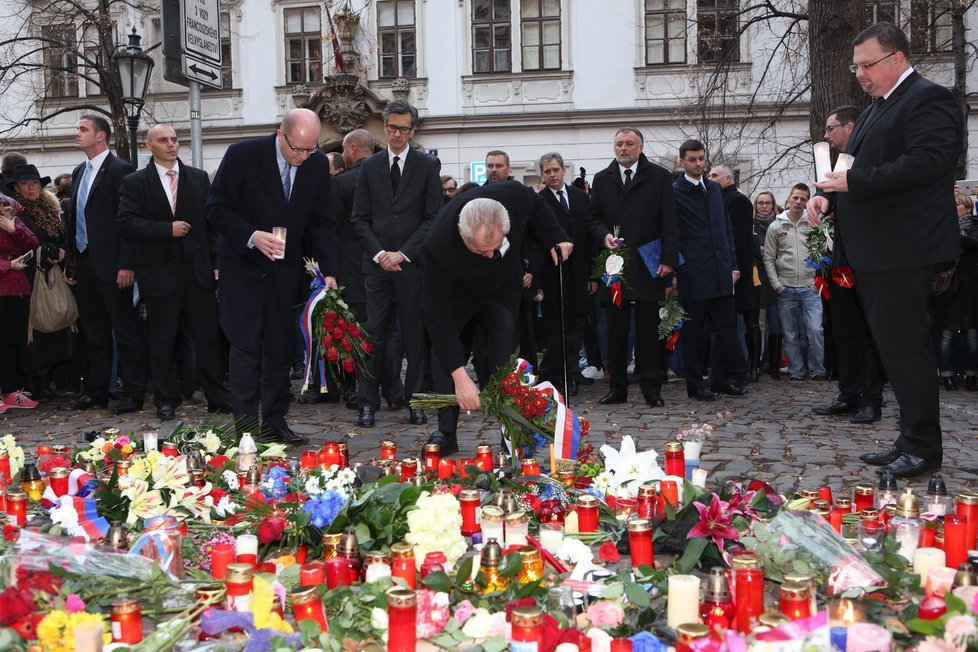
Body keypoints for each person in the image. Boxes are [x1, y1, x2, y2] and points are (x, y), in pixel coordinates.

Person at [807, 22, 964, 478]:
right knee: (894, 350)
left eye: (866, 64)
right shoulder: (878, 108)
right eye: (856, 65)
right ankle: (909, 438)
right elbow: (850, 167)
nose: (859, 73)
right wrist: (829, 197)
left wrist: (852, 182)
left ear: (896, 58)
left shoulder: (927, 99)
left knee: (908, 350)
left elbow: (930, 162)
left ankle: (923, 448)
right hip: (875, 251)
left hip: (905, 248)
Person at [207, 108, 338, 445]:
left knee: (280, 351)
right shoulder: (242, 155)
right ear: (281, 135)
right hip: (243, 268)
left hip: (285, 271)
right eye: (298, 149)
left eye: (311, 149)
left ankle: (275, 422)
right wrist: (251, 235)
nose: (304, 156)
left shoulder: (317, 165)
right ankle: (246, 428)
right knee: (246, 348)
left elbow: (323, 221)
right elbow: (216, 208)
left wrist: (329, 271)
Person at [421, 182, 572, 456]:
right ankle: (446, 431)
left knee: (504, 351)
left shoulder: (512, 196)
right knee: (444, 355)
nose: (490, 255)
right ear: (461, 233)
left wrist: (557, 236)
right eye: (482, 250)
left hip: (502, 287)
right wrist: (460, 376)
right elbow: (437, 320)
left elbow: (537, 205)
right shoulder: (436, 247)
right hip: (457, 296)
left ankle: (511, 430)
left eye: (496, 247)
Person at [118, 125, 230, 421]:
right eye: (163, 140)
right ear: (149, 145)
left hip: (198, 272)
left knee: (207, 337)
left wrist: (216, 264)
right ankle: (166, 399)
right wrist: (166, 230)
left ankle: (216, 395)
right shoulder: (135, 182)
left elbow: (211, 226)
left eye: (174, 139)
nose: (171, 144)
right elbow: (127, 223)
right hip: (158, 274)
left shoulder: (197, 178)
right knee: (162, 340)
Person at [351, 100, 442, 429]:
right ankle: (367, 403)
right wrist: (380, 255)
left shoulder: (427, 167)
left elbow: (433, 217)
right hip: (376, 268)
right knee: (373, 337)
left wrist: (403, 253)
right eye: (391, 127)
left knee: (414, 338)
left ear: (413, 130)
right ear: (384, 126)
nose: (397, 134)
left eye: (403, 129)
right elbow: (359, 219)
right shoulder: (370, 167)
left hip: (411, 267)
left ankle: (415, 401)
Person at [588, 127, 679, 407]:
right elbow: (593, 220)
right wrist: (604, 235)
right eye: (619, 144)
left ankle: (652, 389)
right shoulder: (603, 178)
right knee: (615, 333)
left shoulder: (659, 176)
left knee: (648, 332)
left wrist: (669, 261)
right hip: (615, 267)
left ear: (640, 147)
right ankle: (617, 388)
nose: (623, 148)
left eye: (629, 144)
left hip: (648, 265)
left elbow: (670, 221)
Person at [60, 114, 145, 414]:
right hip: (85, 264)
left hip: (114, 266)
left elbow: (127, 222)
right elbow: (75, 219)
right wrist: (71, 262)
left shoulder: (121, 170)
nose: (77, 133)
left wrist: (127, 264)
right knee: (93, 332)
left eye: (83, 129)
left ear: (101, 136)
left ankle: (133, 392)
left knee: (125, 330)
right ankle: (96, 391)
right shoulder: (79, 170)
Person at [811, 106, 885, 424]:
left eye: (831, 128)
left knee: (868, 332)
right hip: (839, 261)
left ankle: (872, 399)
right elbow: (830, 197)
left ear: (850, 126)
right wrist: (822, 200)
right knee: (843, 330)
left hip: (867, 260)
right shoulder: (840, 162)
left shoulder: (872, 157)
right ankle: (848, 393)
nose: (826, 135)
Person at [673, 139, 747, 400]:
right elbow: (672, 235)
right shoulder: (674, 192)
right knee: (693, 333)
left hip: (721, 271)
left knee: (726, 328)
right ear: (682, 162)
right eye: (692, 160)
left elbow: (726, 229)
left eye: (701, 159)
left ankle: (722, 379)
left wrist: (733, 264)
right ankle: (695, 383)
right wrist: (675, 270)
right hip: (692, 274)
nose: (698, 164)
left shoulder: (715, 190)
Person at [3, 164, 72, 401]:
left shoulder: (50, 208)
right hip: (29, 275)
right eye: (25, 183)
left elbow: (62, 237)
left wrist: (61, 250)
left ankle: (47, 380)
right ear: (16, 187)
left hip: (52, 275)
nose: (31, 187)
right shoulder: (15, 211)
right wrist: (48, 249)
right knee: (33, 331)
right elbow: (26, 243)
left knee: (56, 326)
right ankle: (34, 382)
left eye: (34, 182)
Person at [536, 152, 593, 397]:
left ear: (563, 171)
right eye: (547, 171)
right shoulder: (538, 200)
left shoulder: (581, 198)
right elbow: (535, 241)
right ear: (542, 174)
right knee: (556, 329)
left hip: (579, 274)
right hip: (552, 274)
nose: (551, 175)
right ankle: (554, 375)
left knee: (576, 328)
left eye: (555, 170)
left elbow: (590, 237)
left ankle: (572, 375)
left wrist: (593, 275)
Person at [763, 183, 827, 381]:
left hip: (810, 287)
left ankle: (817, 370)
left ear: (807, 201)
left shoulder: (814, 223)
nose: (798, 202)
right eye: (795, 198)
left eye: (803, 199)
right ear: (789, 199)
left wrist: (818, 281)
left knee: (815, 330)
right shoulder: (776, 226)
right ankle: (796, 371)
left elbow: (823, 254)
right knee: (790, 334)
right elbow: (769, 258)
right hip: (786, 287)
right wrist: (776, 284)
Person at [709, 164, 760, 383]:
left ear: (728, 178)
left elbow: (737, 239)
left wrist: (732, 265)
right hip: (729, 269)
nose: (709, 178)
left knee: (750, 320)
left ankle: (753, 367)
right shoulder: (719, 199)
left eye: (714, 175)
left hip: (740, 271)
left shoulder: (737, 201)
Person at [931, 193, 978, 391]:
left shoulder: (973, 228)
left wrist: (950, 232)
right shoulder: (944, 229)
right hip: (949, 289)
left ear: (967, 208)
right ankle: (947, 374)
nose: (954, 207)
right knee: (947, 334)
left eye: (958, 204)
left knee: (972, 334)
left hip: (970, 288)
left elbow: (972, 244)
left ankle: (971, 375)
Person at [0, 196, 39, 413]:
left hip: (15, 286)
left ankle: (10, 390)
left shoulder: (10, 205)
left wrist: (12, 228)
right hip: (8, 274)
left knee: (11, 341)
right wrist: (7, 265)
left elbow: (33, 242)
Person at [753, 191, 782, 378]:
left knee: (776, 322)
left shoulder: (780, 224)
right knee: (759, 322)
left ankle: (774, 365)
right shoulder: (750, 225)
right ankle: (756, 363)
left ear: (773, 205)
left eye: (767, 203)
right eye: (760, 203)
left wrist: (770, 251)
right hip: (757, 276)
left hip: (777, 275)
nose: (764, 206)